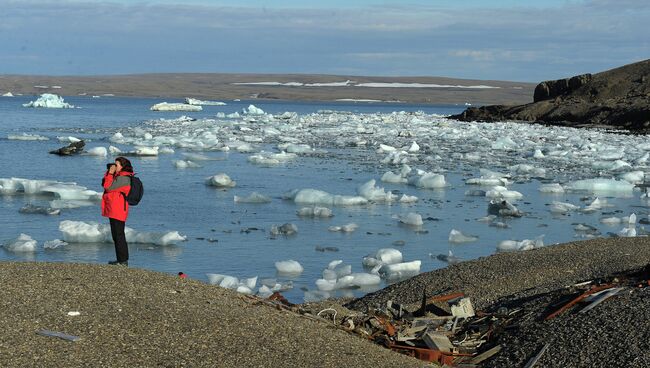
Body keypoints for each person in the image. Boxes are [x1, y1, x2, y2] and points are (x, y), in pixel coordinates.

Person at [101, 156, 134, 266]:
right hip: (114, 208)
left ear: (122, 166)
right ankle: (120, 259)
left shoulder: (124, 178)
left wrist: (110, 174)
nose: (115, 166)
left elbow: (108, 187)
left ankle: (123, 261)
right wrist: (109, 173)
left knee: (119, 235)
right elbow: (104, 183)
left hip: (118, 209)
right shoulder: (118, 176)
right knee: (116, 235)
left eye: (117, 164)